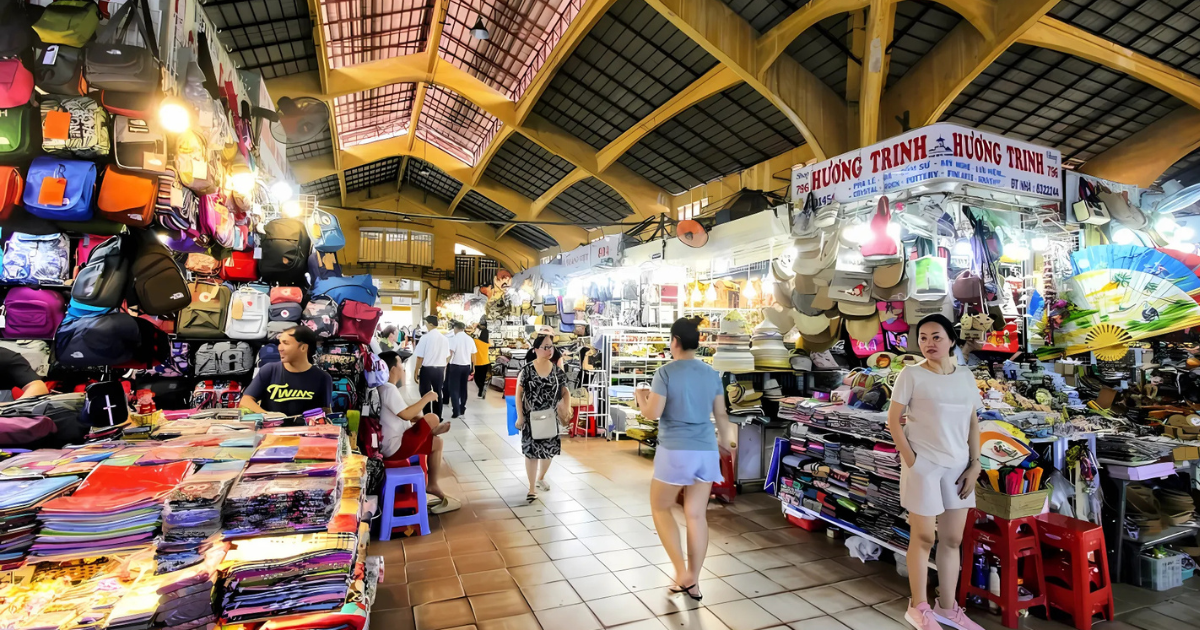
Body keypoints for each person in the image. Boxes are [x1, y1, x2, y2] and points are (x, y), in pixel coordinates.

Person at [886, 314, 984, 630]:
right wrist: (912, 461)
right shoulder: (911, 375)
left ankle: (947, 607)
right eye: (924, 337)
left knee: (953, 539)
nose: (929, 343)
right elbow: (894, 420)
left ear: (951, 340)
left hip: (958, 467)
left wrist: (975, 463)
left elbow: (972, 422)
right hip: (924, 466)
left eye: (937, 337)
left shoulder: (966, 376)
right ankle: (918, 606)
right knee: (924, 535)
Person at [633, 317, 732, 601]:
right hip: (705, 450)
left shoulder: (665, 373)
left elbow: (652, 413)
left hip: (675, 451)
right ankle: (694, 582)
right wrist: (726, 440)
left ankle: (681, 572)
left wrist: (641, 397)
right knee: (696, 514)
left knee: (660, 507)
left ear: (675, 340)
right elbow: (721, 414)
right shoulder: (711, 374)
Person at [377, 351, 460, 514]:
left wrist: (418, 417)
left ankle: (433, 484)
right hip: (396, 448)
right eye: (400, 364)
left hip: (394, 443)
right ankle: (433, 430)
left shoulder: (385, 388)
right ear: (393, 369)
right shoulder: (388, 389)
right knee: (433, 417)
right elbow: (406, 414)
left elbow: (408, 414)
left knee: (437, 443)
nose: (403, 368)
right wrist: (427, 398)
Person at [514, 334, 570, 502]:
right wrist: (520, 416)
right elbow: (518, 394)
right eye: (545, 347)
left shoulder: (556, 372)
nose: (549, 350)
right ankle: (531, 488)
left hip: (550, 417)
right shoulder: (527, 370)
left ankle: (541, 477)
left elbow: (565, 391)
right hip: (531, 418)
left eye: (551, 346)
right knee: (531, 453)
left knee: (548, 452)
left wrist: (565, 408)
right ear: (536, 350)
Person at [241, 326, 332, 415]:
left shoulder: (322, 378)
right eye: (280, 343)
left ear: (303, 348)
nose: (280, 348)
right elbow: (246, 401)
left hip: (307, 429)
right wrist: (268, 415)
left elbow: (326, 411)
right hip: (272, 428)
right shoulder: (269, 370)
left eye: (286, 343)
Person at [412, 315, 449, 417]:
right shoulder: (444, 339)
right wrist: (443, 368)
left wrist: (416, 372)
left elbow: (420, 357)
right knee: (438, 392)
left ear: (430, 324)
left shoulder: (425, 338)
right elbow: (447, 356)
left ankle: (428, 416)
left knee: (425, 394)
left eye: (427, 323)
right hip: (439, 370)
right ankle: (438, 416)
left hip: (427, 370)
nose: (426, 325)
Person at [444, 321, 476, 418]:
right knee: (463, 388)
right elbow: (473, 354)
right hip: (466, 366)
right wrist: (473, 367)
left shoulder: (454, 339)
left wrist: (445, 364)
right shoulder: (470, 339)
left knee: (454, 389)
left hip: (455, 367)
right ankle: (462, 408)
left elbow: (450, 353)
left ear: (455, 328)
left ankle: (456, 410)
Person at [472, 326, 491, 399]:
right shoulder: (487, 342)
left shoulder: (476, 341)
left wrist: (475, 332)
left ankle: (481, 388)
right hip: (486, 362)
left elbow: (472, 337)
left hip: (477, 362)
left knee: (476, 378)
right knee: (482, 378)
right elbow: (491, 343)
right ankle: (481, 391)